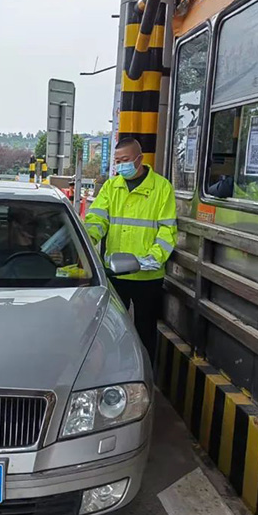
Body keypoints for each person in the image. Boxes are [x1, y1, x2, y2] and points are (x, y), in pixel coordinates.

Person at [83, 138, 177, 363]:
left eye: (125, 160)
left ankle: (145, 372)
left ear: (139, 159)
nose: (121, 165)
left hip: (148, 274)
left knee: (146, 329)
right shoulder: (111, 186)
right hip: (115, 273)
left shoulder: (161, 188)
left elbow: (167, 230)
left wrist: (152, 258)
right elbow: (97, 219)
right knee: (112, 330)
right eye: (117, 161)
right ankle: (115, 372)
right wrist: (86, 239)